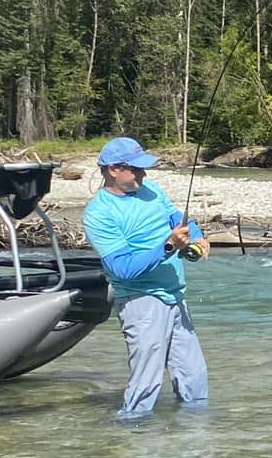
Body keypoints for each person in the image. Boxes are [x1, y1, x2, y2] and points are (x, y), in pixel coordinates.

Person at [82, 135, 212, 420]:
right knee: (146, 386)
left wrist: (197, 237)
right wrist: (169, 246)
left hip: (175, 297)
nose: (144, 173)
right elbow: (122, 268)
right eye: (136, 168)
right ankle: (132, 433)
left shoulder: (150, 189)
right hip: (140, 302)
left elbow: (179, 220)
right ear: (113, 170)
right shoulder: (99, 214)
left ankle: (196, 435)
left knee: (195, 381)